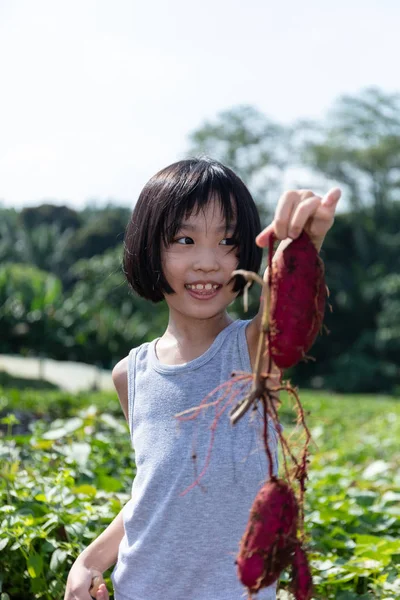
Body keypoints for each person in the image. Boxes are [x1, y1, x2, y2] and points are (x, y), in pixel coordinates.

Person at [64, 157, 341, 600]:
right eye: (184, 239)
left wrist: (302, 246)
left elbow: (284, 304)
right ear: (149, 248)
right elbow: (155, 493)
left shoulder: (251, 352)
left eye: (227, 240)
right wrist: (90, 560)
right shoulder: (129, 375)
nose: (208, 262)